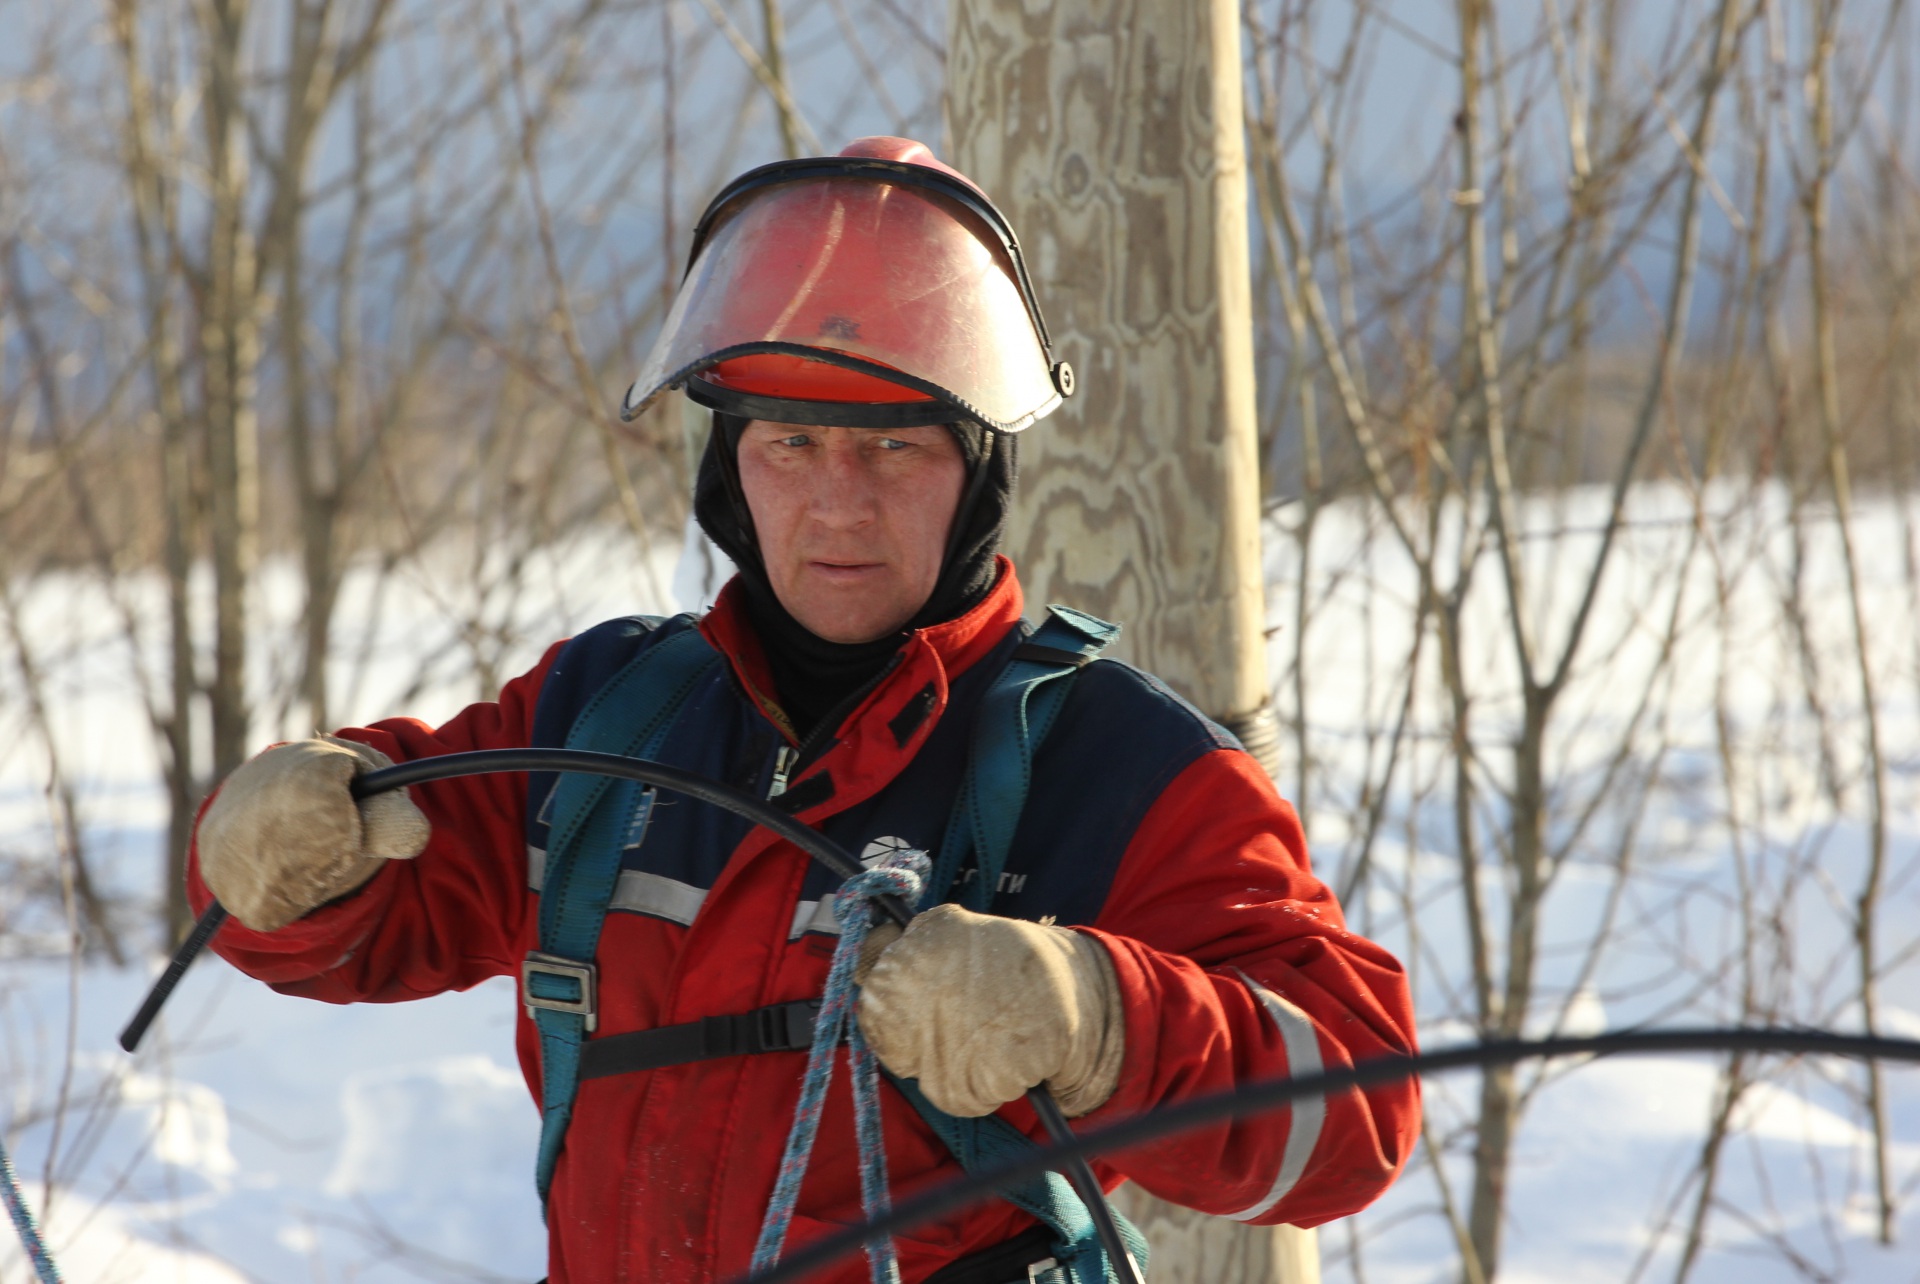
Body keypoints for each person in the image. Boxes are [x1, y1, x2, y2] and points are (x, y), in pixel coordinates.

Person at [190, 137, 1419, 1284]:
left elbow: (1360, 1116)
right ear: (729, 474)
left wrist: (1103, 1019)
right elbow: (366, 916)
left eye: (893, 450)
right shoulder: (605, 711)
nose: (838, 504)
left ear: (978, 471)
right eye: (790, 443)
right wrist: (287, 853)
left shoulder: (1115, 767)